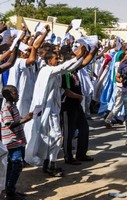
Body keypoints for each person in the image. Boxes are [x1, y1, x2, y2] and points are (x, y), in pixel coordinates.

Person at [24, 46, 85, 177]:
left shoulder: (55, 73)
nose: (58, 60)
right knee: (55, 137)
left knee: (53, 138)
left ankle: (49, 164)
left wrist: (82, 57)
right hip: (46, 111)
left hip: (53, 110)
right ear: (49, 61)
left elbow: (70, 68)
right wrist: (78, 57)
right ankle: (50, 164)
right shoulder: (47, 71)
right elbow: (64, 67)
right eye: (55, 58)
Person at [1, 85, 33, 200]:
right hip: (12, 141)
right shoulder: (6, 108)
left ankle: (10, 189)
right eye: (15, 93)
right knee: (16, 164)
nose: (18, 95)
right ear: (8, 95)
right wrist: (26, 119)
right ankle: (9, 191)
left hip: (17, 140)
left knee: (13, 166)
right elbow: (9, 124)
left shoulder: (13, 106)